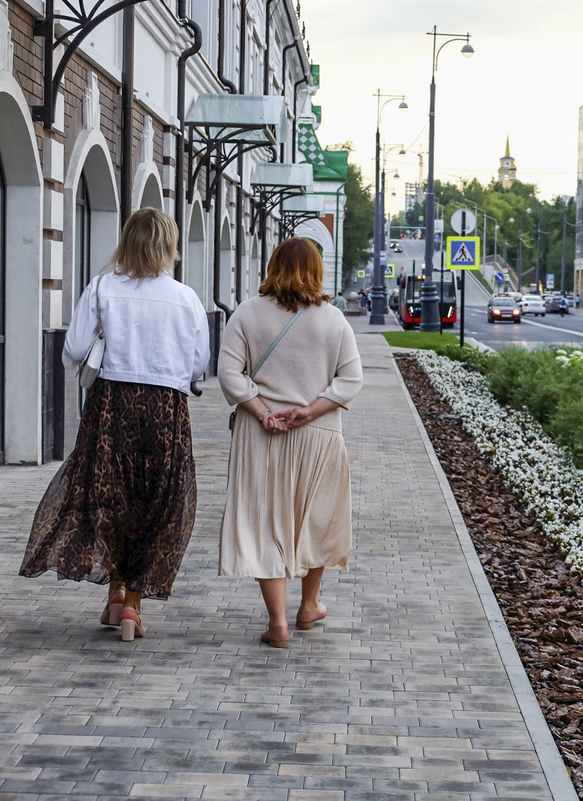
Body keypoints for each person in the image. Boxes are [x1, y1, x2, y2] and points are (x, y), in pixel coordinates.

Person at [20, 208, 210, 642]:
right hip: (166, 408)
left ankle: (114, 593)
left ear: (127, 242)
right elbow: (199, 363)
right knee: (157, 502)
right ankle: (132, 606)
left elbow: (72, 350)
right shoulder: (186, 298)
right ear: (168, 246)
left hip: (112, 405)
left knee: (108, 497)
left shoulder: (102, 288)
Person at [218, 238, 364, 649]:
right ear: (317, 270)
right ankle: (309, 605)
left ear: (273, 265)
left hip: (261, 433)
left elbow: (229, 373)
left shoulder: (246, 313)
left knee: (266, 523)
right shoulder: (334, 320)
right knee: (316, 519)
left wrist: (264, 412)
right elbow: (350, 379)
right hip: (318, 433)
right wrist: (309, 411)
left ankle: (277, 622)